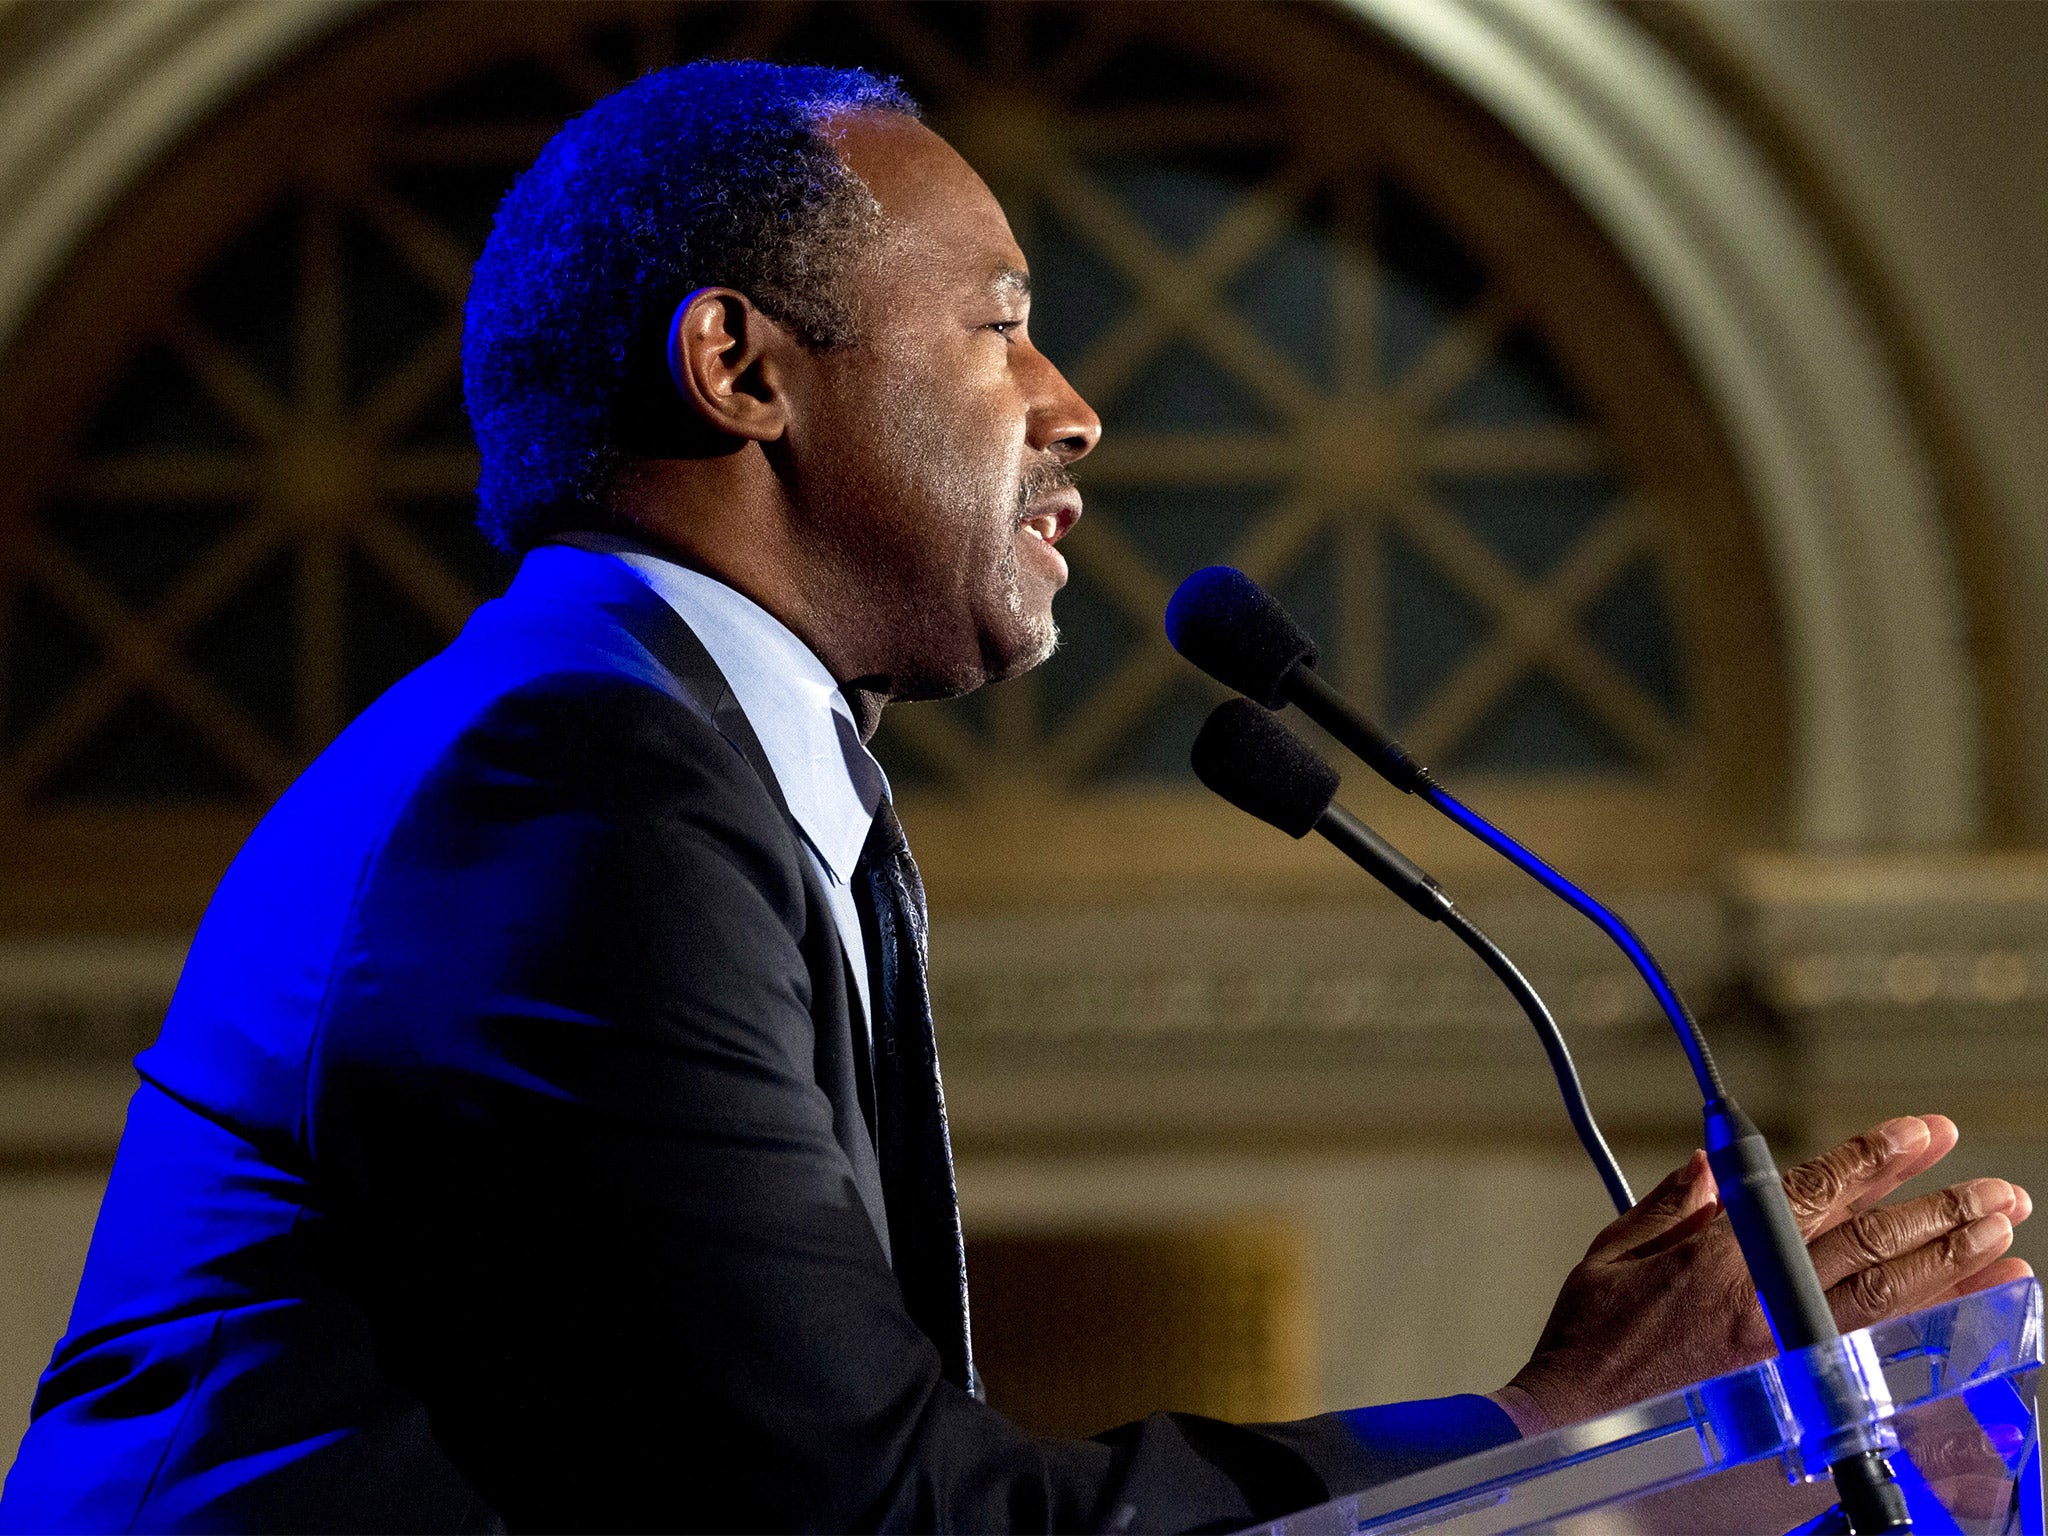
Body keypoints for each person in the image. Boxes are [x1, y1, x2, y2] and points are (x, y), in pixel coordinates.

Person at [0, 60, 2030, 1535]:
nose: (1073, 404)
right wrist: (1540, 1416)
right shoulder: (563, 800)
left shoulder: (645, 764)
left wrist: (1574, 1438)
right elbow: (873, 1521)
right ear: (741, 369)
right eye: (995, 322)